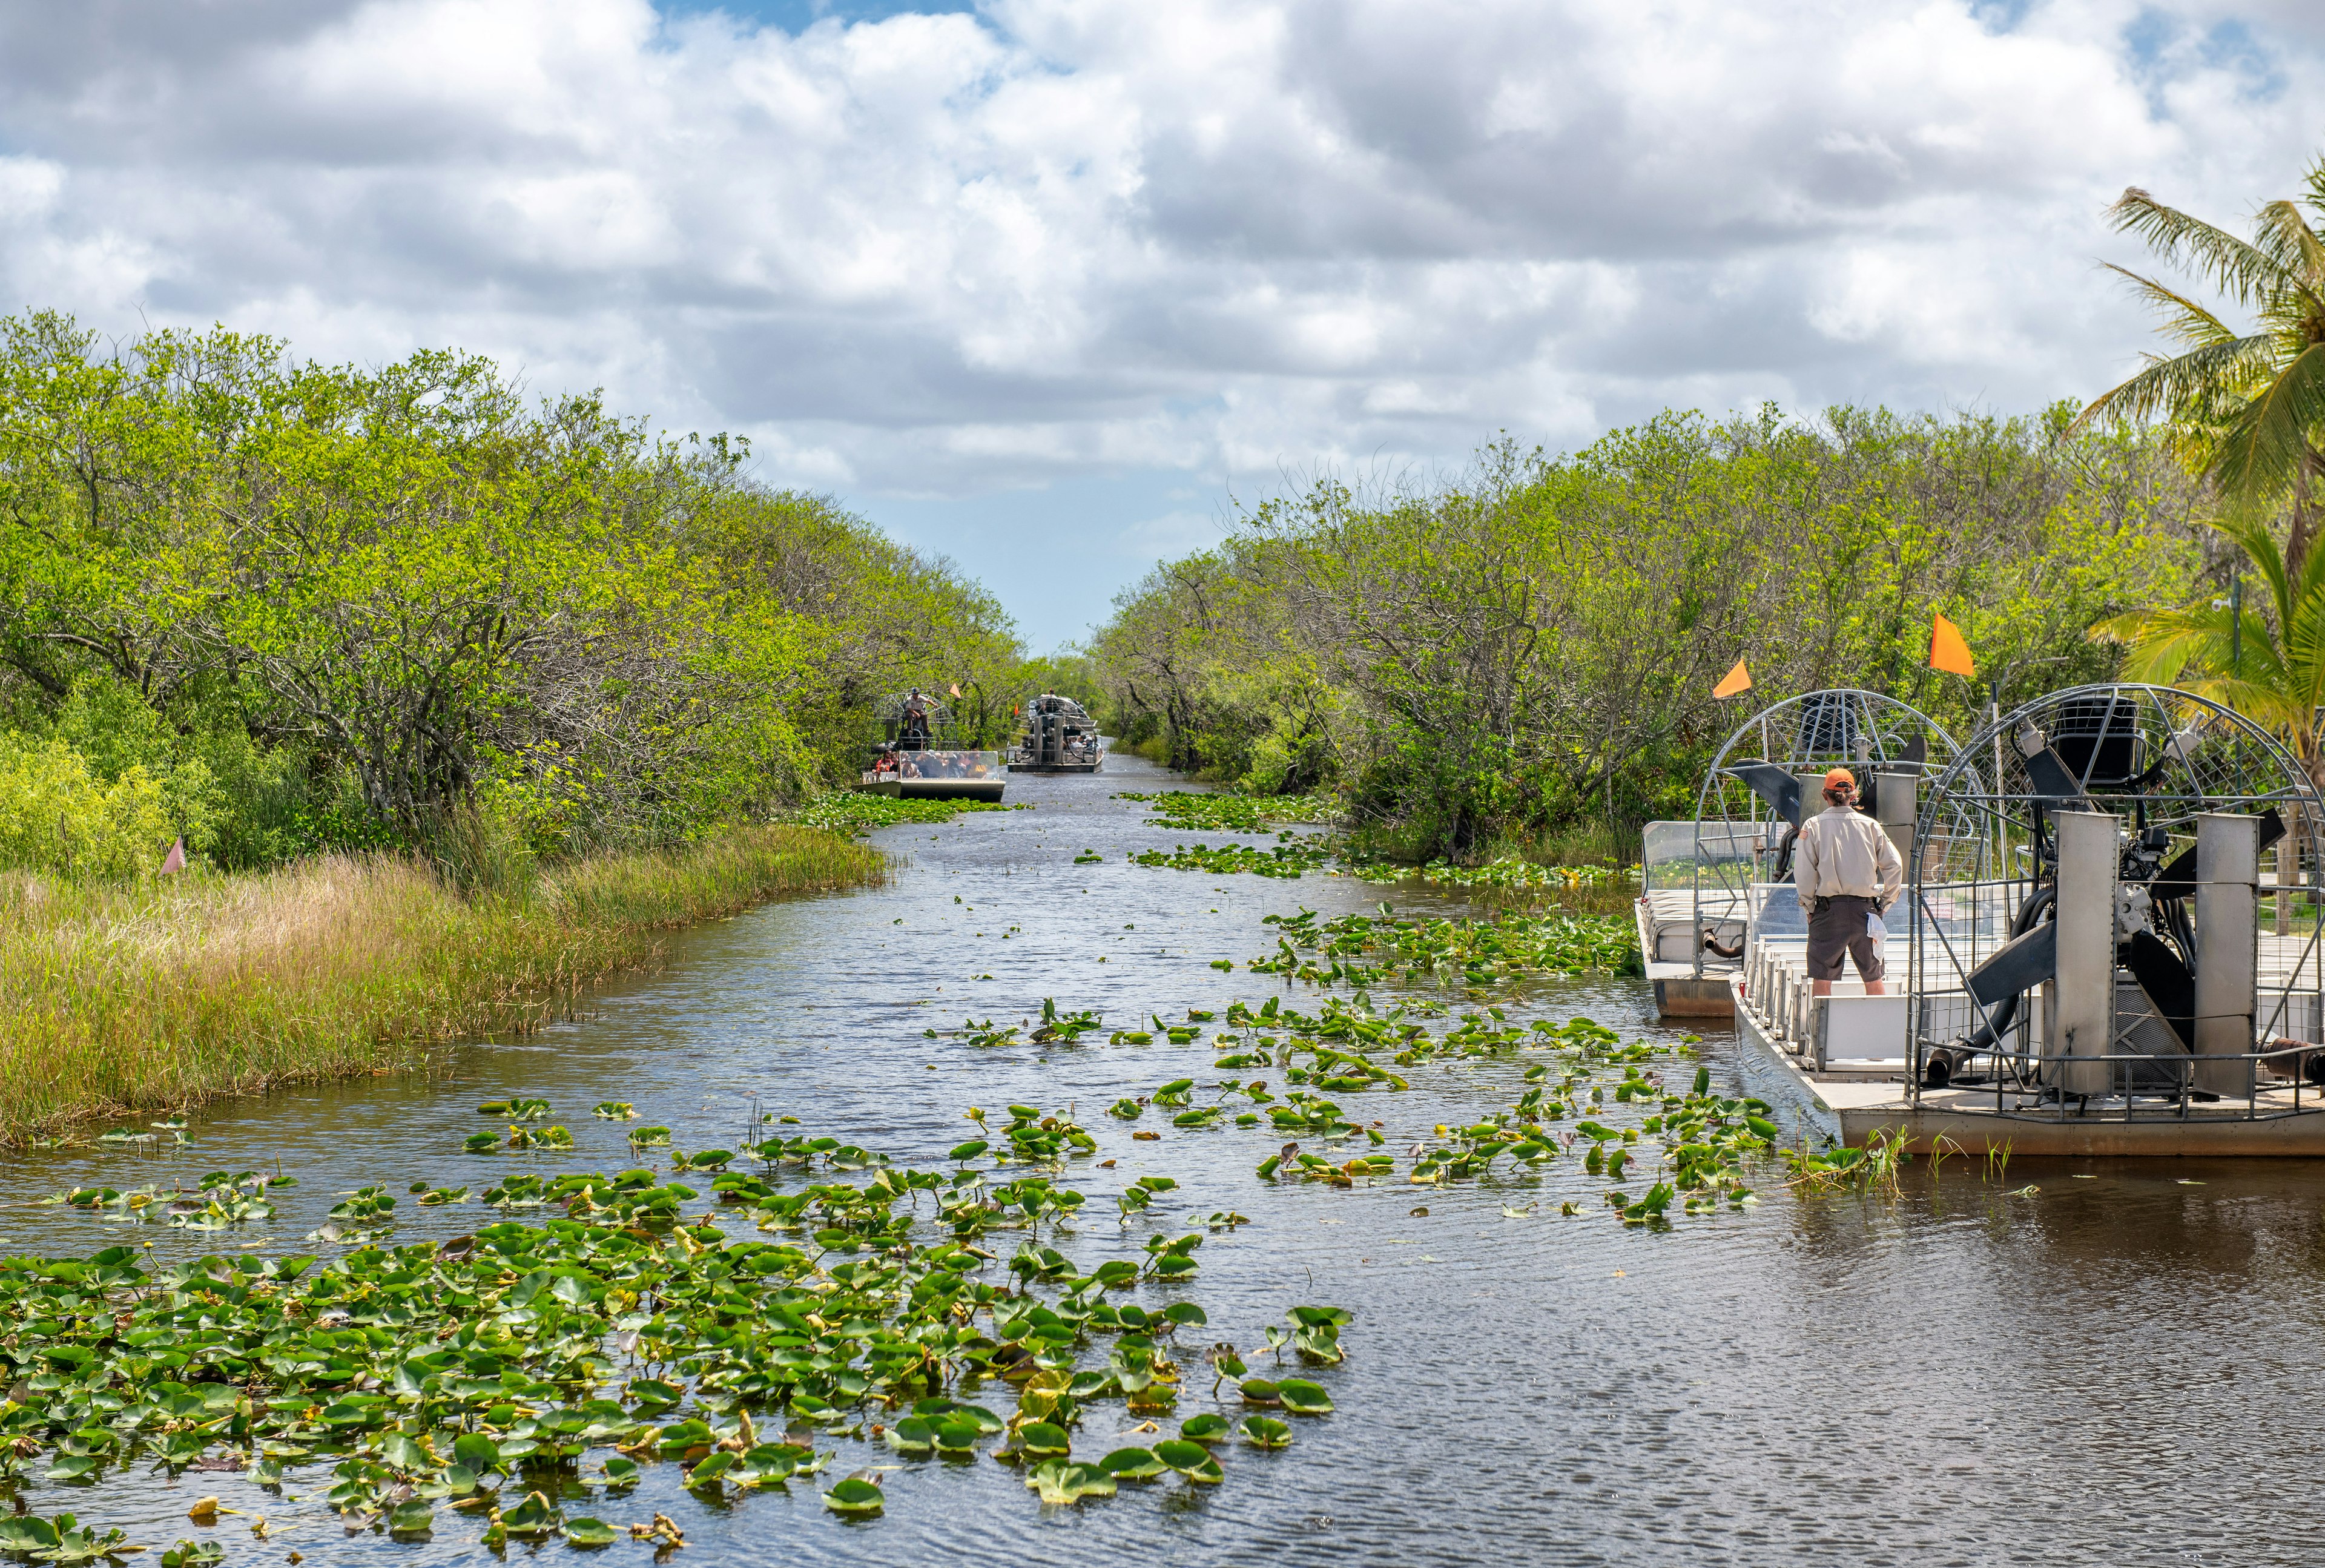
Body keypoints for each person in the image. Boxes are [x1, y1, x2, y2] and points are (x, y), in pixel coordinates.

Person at [1794, 766, 1904, 996]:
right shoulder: (1871, 826)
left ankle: (1821, 1031)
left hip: (1827, 911)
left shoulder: (1812, 827)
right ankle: (1880, 1030)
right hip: (1866, 912)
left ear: (1825, 795)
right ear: (1853, 796)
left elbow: (1804, 873)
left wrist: (1809, 907)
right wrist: (1884, 903)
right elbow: (1895, 866)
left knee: (1822, 979)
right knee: (1874, 977)